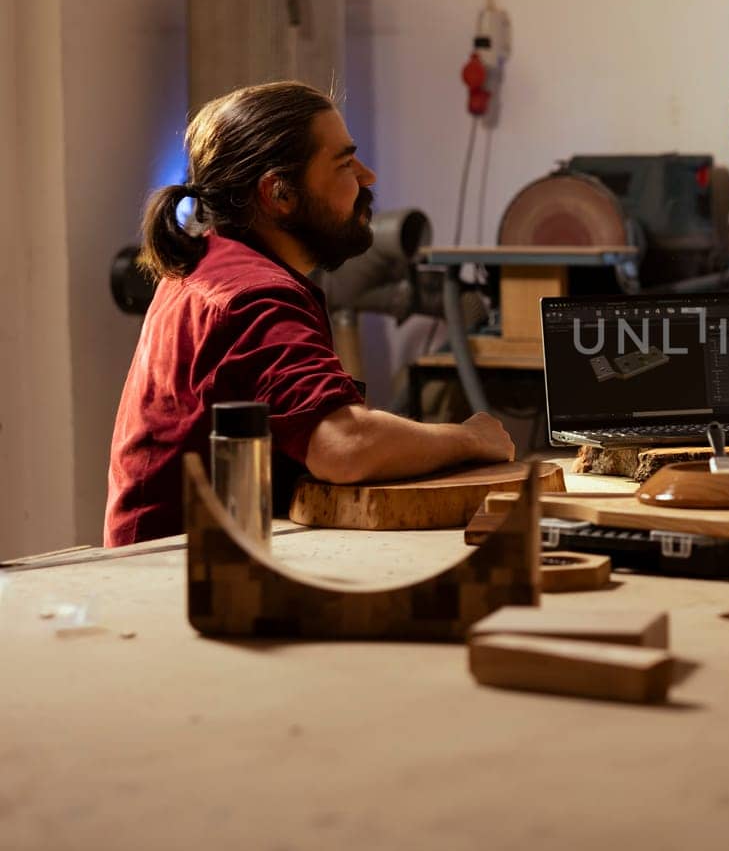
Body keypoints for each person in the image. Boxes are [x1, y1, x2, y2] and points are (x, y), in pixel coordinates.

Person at [105, 82, 513, 546]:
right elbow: (344, 446)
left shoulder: (211, 266)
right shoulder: (254, 295)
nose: (368, 176)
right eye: (344, 163)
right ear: (280, 193)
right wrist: (470, 438)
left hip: (182, 564)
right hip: (178, 579)